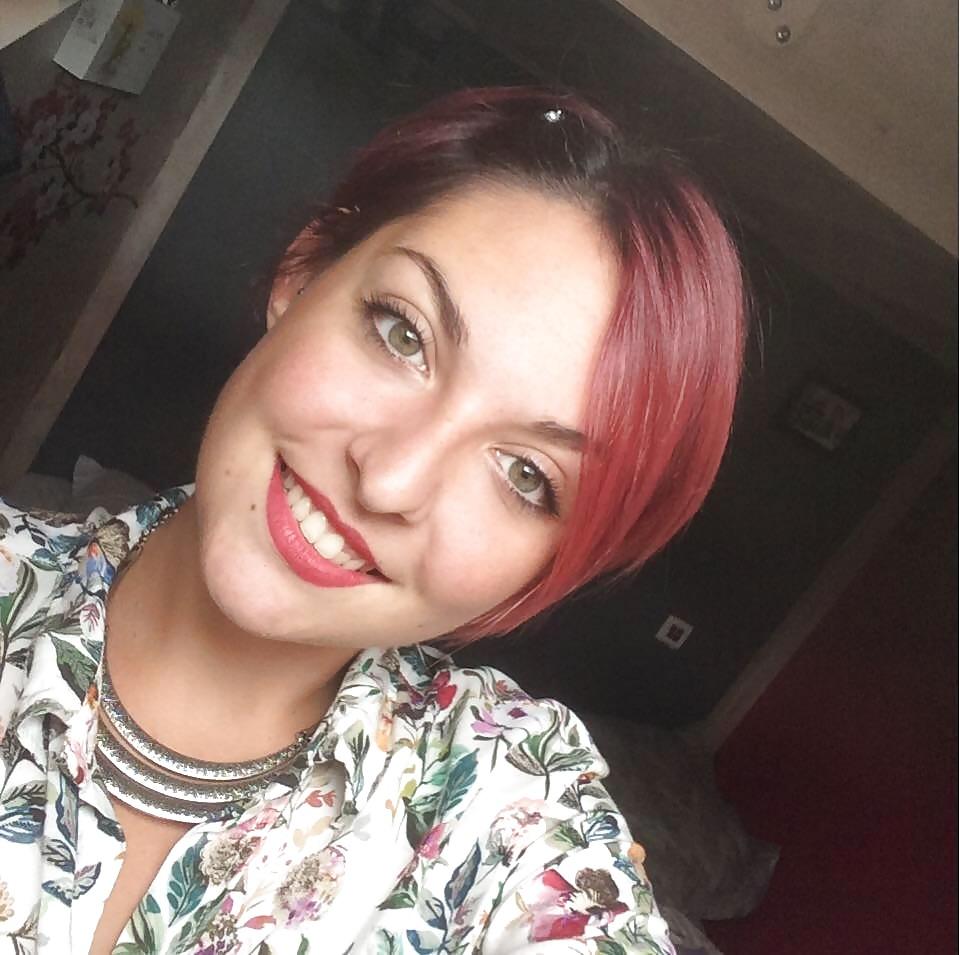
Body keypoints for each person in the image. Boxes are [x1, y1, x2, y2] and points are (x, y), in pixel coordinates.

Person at [0, 85, 745, 954]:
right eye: (404, 335)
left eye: (527, 475)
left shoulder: (503, 815)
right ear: (303, 273)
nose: (391, 480)